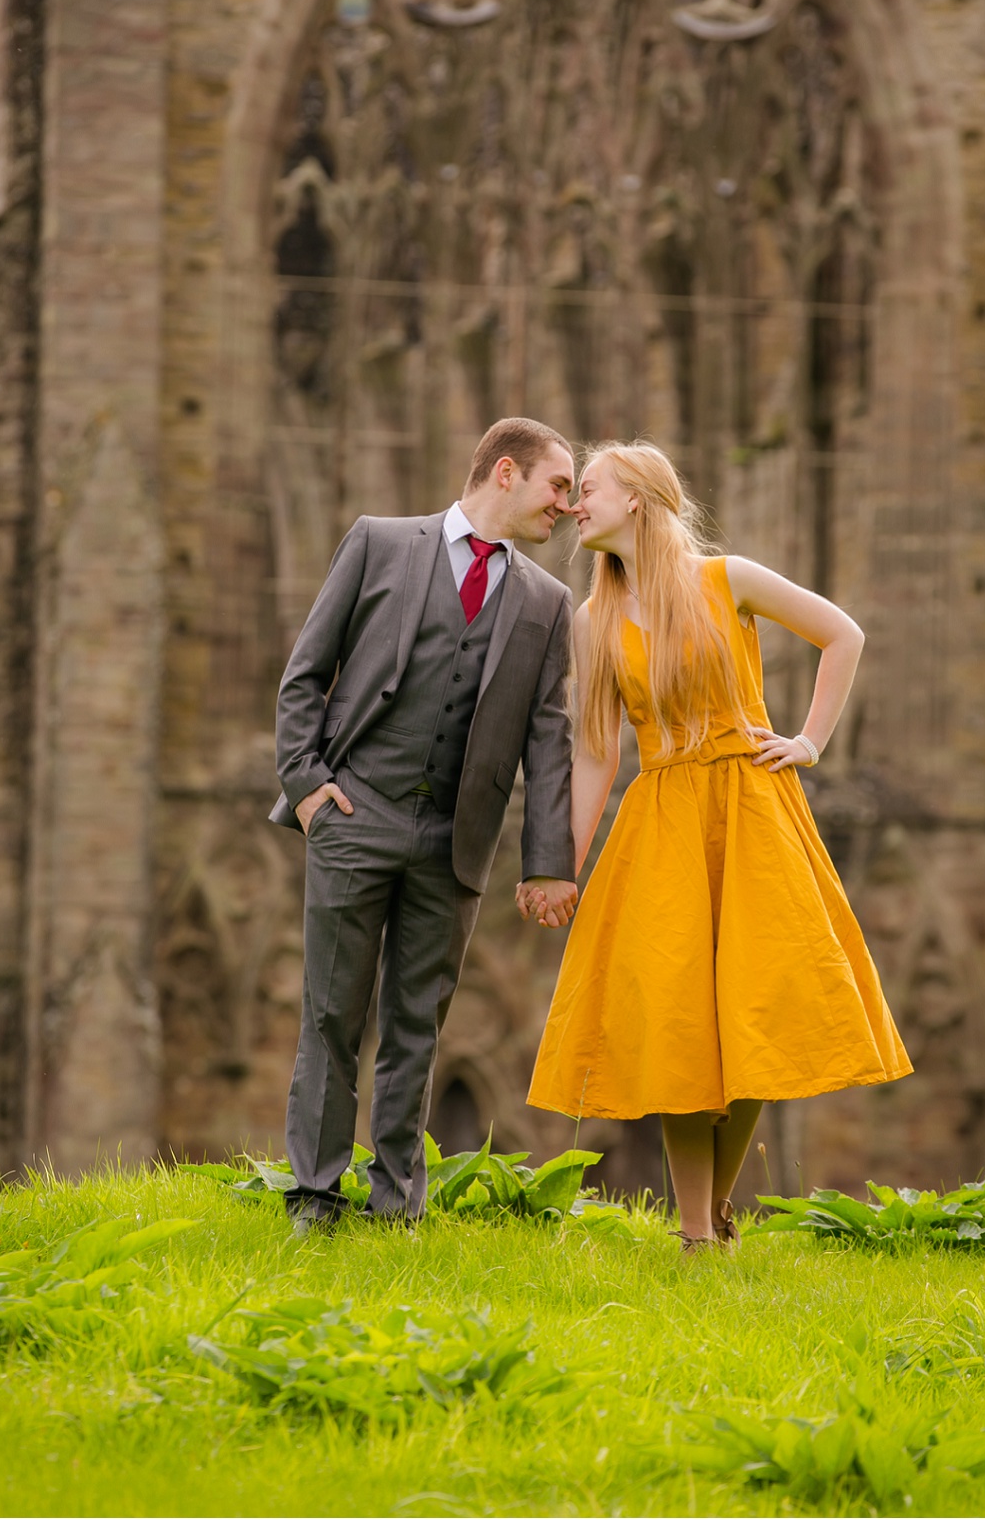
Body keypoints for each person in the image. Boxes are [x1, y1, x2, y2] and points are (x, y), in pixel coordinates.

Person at [524, 442, 912, 1252]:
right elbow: (595, 756)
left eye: (587, 488)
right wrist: (560, 865)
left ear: (636, 498)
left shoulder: (724, 579)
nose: (572, 504)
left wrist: (808, 742)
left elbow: (843, 635)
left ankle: (717, 1213)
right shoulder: (591, 620)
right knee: (677, 1026)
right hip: (662, 817)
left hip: (752, 810)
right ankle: (698, 1233)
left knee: (755, 1010)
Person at [270, 418, 580, 1233]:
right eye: (558, 485)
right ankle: (315, 1195)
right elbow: (306, 671)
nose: (569, 504)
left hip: (455, 841)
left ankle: (396, 1204)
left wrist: (549, 861)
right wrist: (307, 788)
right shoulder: (379, 542)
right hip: (354, 813)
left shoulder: (548, 603)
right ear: (504, 472)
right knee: (332, 1014)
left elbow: (550, 740)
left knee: (418, 1024)